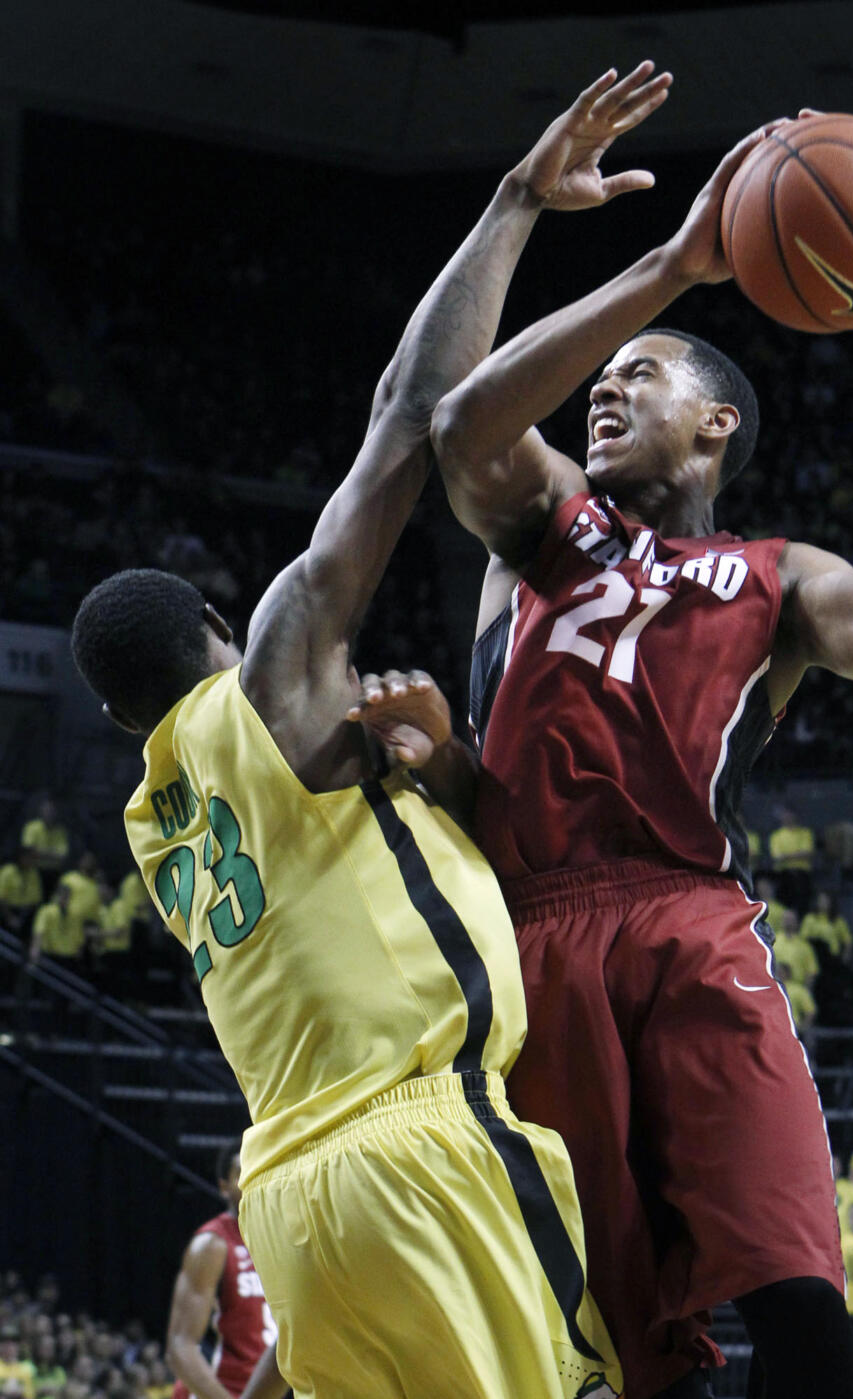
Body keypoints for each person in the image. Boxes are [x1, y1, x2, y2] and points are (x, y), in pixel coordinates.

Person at [68, 66, 681, 1399]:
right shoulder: (269, 684)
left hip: (290, 1199)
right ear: (225, 628)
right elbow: (408, 413)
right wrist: (518, 200)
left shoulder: (158, 806)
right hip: (421, 1150)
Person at [424, 94, 853, 1397]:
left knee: (797, 1298)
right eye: (599, 381)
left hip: (690, 923)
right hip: (525, 937)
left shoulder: (773, 576)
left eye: (641, 374)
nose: (604, 389)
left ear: (718, 422)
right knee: (616, 1353)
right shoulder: (540, 531)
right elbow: (456, 425)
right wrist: (648, 257)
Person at [166, 1142, 277, 1399]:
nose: (251, 1178)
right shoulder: (212, 1245)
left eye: (257, 1168)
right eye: (241, 1172)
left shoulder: (279, 1239)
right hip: (220, 1391)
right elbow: (180, 1346)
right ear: (223, 1186)